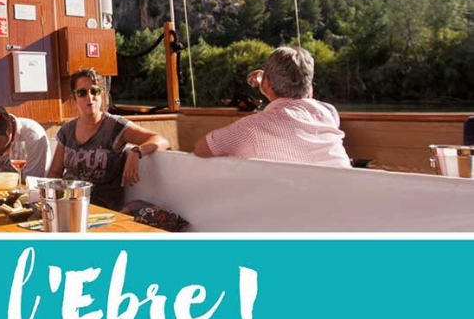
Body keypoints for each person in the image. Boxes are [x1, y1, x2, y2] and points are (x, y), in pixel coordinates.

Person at [193, 46, 352, 168]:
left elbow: (201, 149)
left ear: (267, 83)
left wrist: (266, 84)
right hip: (345, 195)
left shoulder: (251, 127)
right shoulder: (328, 115)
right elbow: (306, 99)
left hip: (294, 198)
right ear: (309, 84)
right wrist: (268, 82)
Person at [47, 69, 170, 211]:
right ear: (74, 98)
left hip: (103, 208)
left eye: (95, 91)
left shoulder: (116, 126)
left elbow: (161, 140)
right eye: (82, 93)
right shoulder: (66, 131)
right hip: (68, 203)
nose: (89, 97)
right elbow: (55, 173)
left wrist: (136, 152)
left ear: (102, 94)